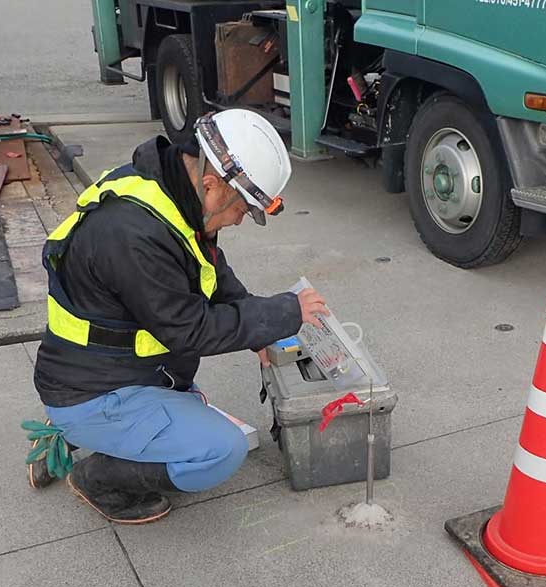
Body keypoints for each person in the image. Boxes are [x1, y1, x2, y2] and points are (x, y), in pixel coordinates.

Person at [28, 109, 329, 524]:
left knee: (195, 406)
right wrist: (285, 312)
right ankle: (96, 476)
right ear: (212, 185)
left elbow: (211, 273)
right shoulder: (134, 235)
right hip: (91, 389)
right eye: (244, 208)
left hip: (106, 371)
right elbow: (192, 330)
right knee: (220, 450)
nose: (242, 220)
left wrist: (261, 333)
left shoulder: (168, 193)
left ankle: (85, 429)